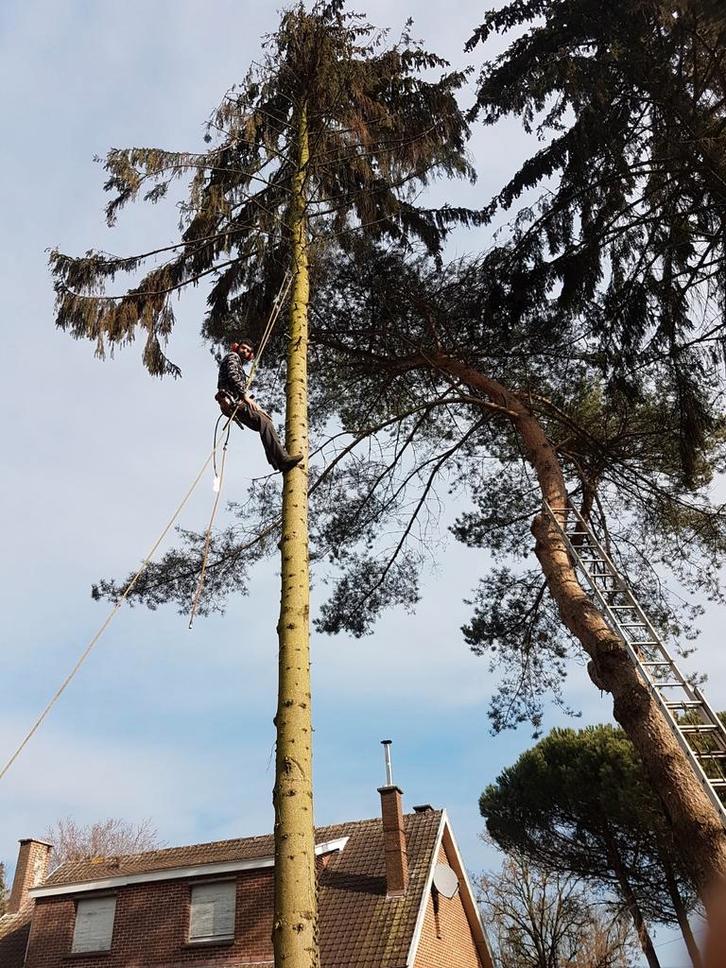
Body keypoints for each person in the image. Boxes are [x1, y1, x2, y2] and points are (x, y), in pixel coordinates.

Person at [215, 339, 302, 473]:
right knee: (264, 421)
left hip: (233, 402)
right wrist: (246, 398)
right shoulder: (233, 357)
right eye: (243, 348)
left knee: (261, 424)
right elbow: (233, 376)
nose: (245, 351)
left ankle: (276, 458)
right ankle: (282, 460)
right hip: (233, 401)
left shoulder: (238, 364)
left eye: (248, 351)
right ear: (237, 347)